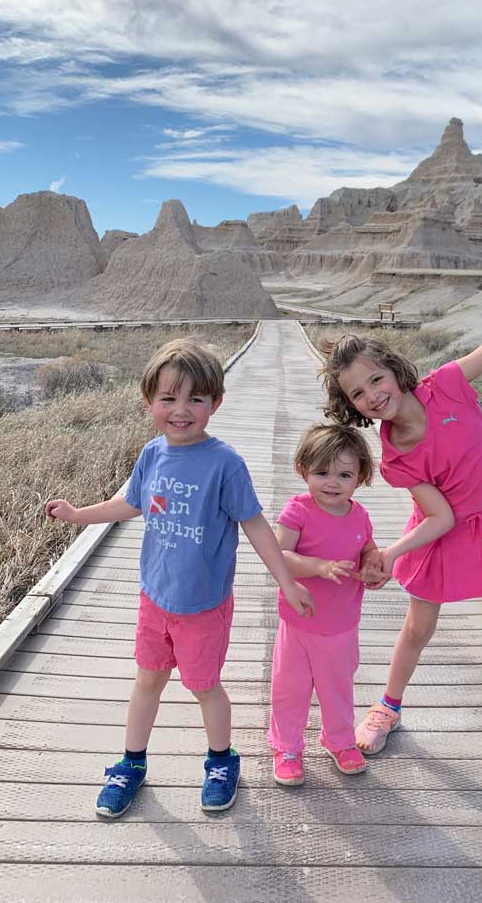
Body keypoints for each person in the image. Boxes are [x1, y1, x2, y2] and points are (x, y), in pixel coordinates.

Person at [320, 243, 482, 789]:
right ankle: (388, 707)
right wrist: (391, 552)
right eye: (357, 394)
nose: (372, 395)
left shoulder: (449, 386)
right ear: (351, 406)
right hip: (440, 535)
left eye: (376, 380)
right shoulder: (397, 457)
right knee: (418, 628)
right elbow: (439, 519)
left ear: (394, 369)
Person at [45, 338, 313, 818]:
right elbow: (131, 503)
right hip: (155, 598)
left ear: (216, 403)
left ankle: (221, 761)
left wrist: (286, 581)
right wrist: (77, 514)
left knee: (204, 685)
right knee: (147, 680)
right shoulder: (152, 454)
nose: (181, 410)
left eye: (195, 399)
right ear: (150, 402)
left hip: (204, 604)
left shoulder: (225, 463)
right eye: (168, 398)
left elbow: (254, 524)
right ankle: (131, 764)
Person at [268, 422, 453, 786]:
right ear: (303, 471)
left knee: (338, 686)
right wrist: (318, 567)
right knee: (291, 687)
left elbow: (366, 547)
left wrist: (371, 562)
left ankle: (338, 741)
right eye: (321, 473)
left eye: (344, 474)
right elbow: (279, 553)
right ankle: (287, 746)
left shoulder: (359, 516)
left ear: (361, 477)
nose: (332, 482)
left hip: (342, 625)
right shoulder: (298, 511)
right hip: (300, 621)